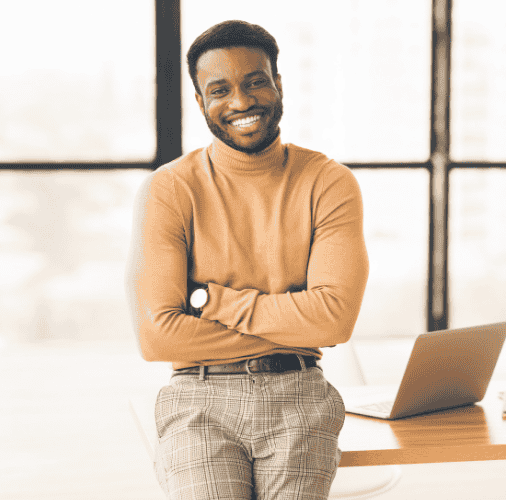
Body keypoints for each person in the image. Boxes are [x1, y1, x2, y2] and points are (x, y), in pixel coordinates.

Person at [125, 20, 369, 500]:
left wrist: (208, 299)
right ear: (200, 102)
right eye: (220, 90)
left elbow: (334, 321)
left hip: (300, 395)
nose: (241, 102)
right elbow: (157, 337)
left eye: (255, 81)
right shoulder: (170, 188)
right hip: (197, 398)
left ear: (278, 84)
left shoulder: (329, 182)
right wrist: (293, 317)